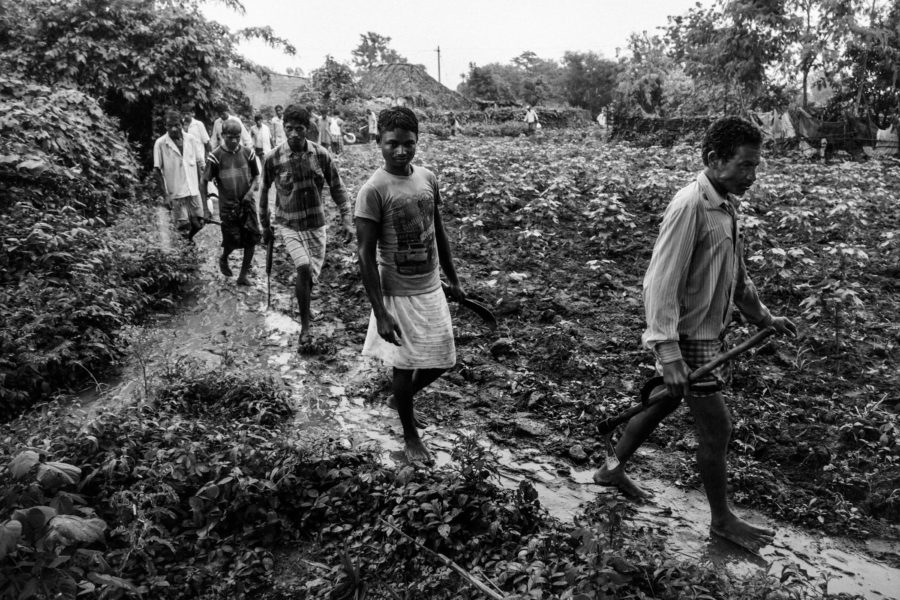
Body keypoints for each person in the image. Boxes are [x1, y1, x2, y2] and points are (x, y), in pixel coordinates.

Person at [592, 117, 797, 552]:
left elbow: (736, 276)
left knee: (661, 403)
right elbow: (659, 283)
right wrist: (669, 354)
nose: (752, 176)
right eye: (744, 166)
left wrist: (763, 318)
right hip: (686, 337)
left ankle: (612, 468)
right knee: (717, 429)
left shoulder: (725, 205)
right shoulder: (690, 206)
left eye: (756, 166)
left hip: (707, 332)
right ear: (714, 160)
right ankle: (722, 520)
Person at [355, 106, 465, 464]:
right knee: (403, 364)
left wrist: (453, 277)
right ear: (379, 142)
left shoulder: (428, 178)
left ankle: (398, 400)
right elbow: (364, 255)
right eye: (392, 144)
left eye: (408, 144)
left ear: (417, 142)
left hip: (430, 285)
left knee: (443, 358)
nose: (401, 151)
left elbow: (440, 231)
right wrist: (380, 312)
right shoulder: (373, 190)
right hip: (397, 291)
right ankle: (409, 436)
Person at [260, 105, 354, 349]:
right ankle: (305, 326)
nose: (293, 134)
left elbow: (337, 186)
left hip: (315, 225)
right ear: (283, 128)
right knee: (302, 268)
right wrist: (264, 225)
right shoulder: (273, 158)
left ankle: (304, 304)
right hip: (288, 224)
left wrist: (346, 218)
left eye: (299, 129)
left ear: (307, 130)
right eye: (289, 128)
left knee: (310, 275)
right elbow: (263, 192)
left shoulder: (320, 154)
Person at [201, 120, 261, 286]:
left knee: (251, 238)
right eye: (230, 137)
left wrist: (250, 192)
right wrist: (205, 207)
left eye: (237, 137)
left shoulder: (248, 153)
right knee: (232, 240)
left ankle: (242, 275)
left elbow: (256, 177)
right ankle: (224, 257)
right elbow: (204, 181)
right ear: (222, 136)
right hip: (228, 207)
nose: (234, 141)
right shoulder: (215, 156)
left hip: (247, 204)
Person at [154, 109, 206, 241]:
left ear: (182, 124)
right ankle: (186, 249)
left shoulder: (191, 139)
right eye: (169, 126)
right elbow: (157, 170)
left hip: (193, 189)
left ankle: (187, 240)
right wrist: (165, 195)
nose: (173, 129)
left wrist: (203, 187)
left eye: (176, 125)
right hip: (176, 192)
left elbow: (200, 163)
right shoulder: (160, 143)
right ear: (165, 126)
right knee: (183, 225)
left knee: (200, 222)